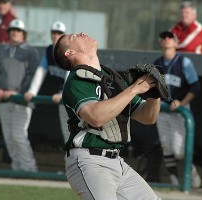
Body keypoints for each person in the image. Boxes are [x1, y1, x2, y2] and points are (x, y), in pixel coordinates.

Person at [53, 32, 161, 200]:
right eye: (74, 37)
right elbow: (95, 117)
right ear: (70, 53)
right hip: (89, 161)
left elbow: (148, 117)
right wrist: (134, 89)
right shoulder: (77, 80)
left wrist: (154, 94)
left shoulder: (112, 79)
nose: (81, 33)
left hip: (117, 162)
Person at [153, 31, 201, 188]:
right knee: (166, 146)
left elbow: (195, 86)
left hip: (180, 108)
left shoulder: (184, 61)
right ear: (161, 42)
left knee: (179, 150)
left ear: (175, 42)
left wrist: (181, 102)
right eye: (164, 38)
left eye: (170, 38)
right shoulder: (157, 63)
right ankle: (174, 180)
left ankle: (191, 171)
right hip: (163, 109)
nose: (166, 40)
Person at [0, 19, 40, 172]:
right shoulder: (3, 50)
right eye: (12, 29)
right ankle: (17, 168)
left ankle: (29, 169)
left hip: (21, 100)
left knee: (19, 136)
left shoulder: (31, 51)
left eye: (18, 30)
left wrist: (18, 92)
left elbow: (33, 75)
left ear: (23, 34)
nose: (14, 32)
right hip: (4, 99)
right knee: (8, 137)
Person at [24, 21, 70, 144]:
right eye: (54, 32)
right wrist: (32, 91)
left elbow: (71, 73)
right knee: (67, 134)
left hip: (76, 96)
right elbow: (41, 71)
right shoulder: (49, 51)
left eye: (59, 33)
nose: (56, 35)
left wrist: (64, 94)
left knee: (75, 134)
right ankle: (71, 162)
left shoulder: (69, 50)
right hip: (63, 96)